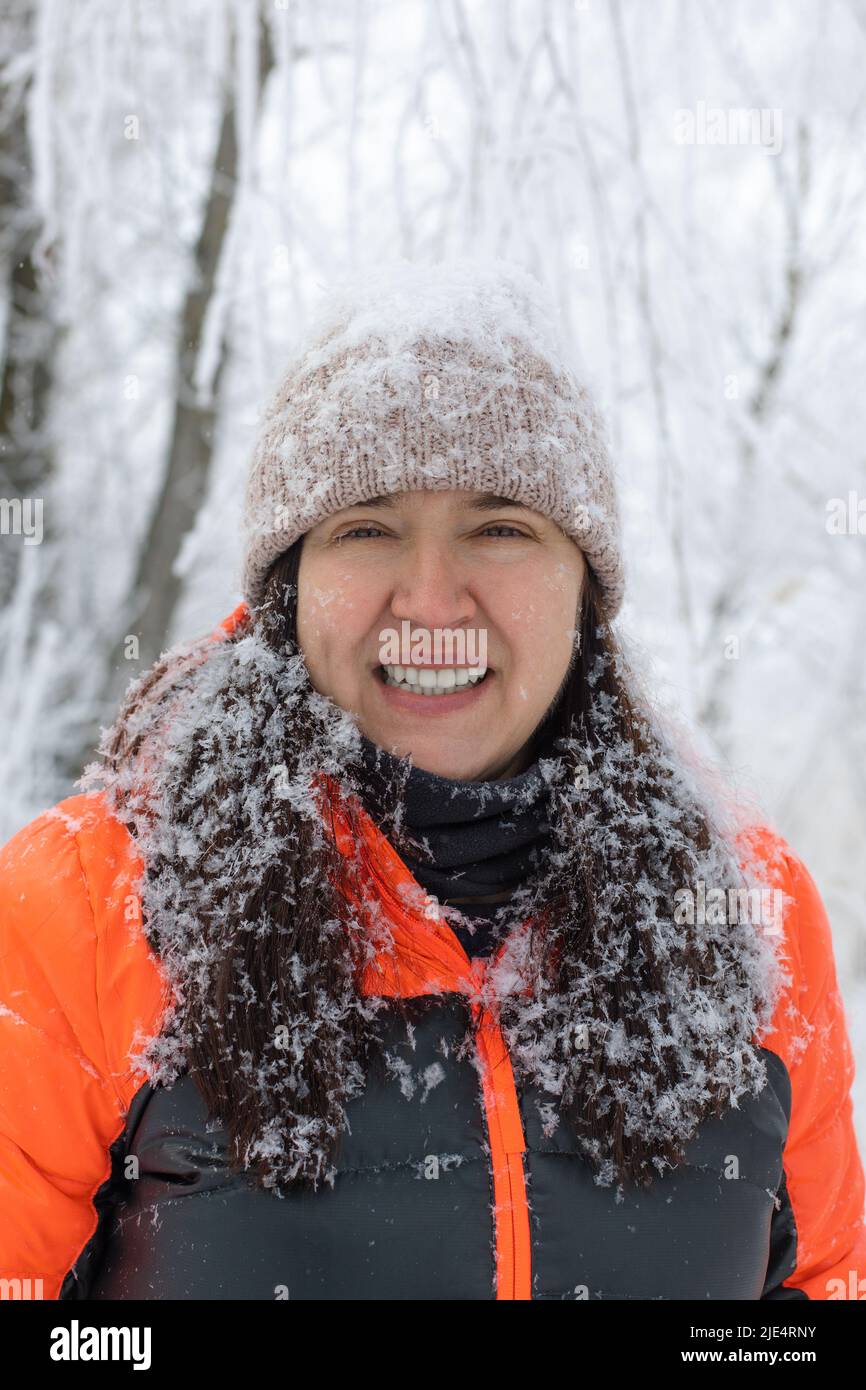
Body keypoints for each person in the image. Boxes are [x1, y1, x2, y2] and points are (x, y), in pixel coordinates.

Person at [1, 258, 864, 1301]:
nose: (431, 601)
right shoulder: (83, 908)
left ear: (584, 585)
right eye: (365, 527)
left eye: (499, 526)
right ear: (291, 583)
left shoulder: (745, 912)